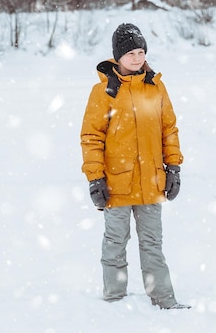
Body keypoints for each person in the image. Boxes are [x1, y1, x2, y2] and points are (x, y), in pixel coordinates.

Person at [80, 23, 189, 309]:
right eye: (131, 53)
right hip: (116, 184)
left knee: (153, 244)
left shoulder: (156, 87)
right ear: (118, 57)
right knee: (115, 242)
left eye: (141, 52)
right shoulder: (103, 91)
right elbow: (92, 137)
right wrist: (95, 178)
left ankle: (164, 299)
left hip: (152, 182)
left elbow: (169, 129)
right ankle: (114, 299)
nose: (138, 58)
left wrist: (173, 168)